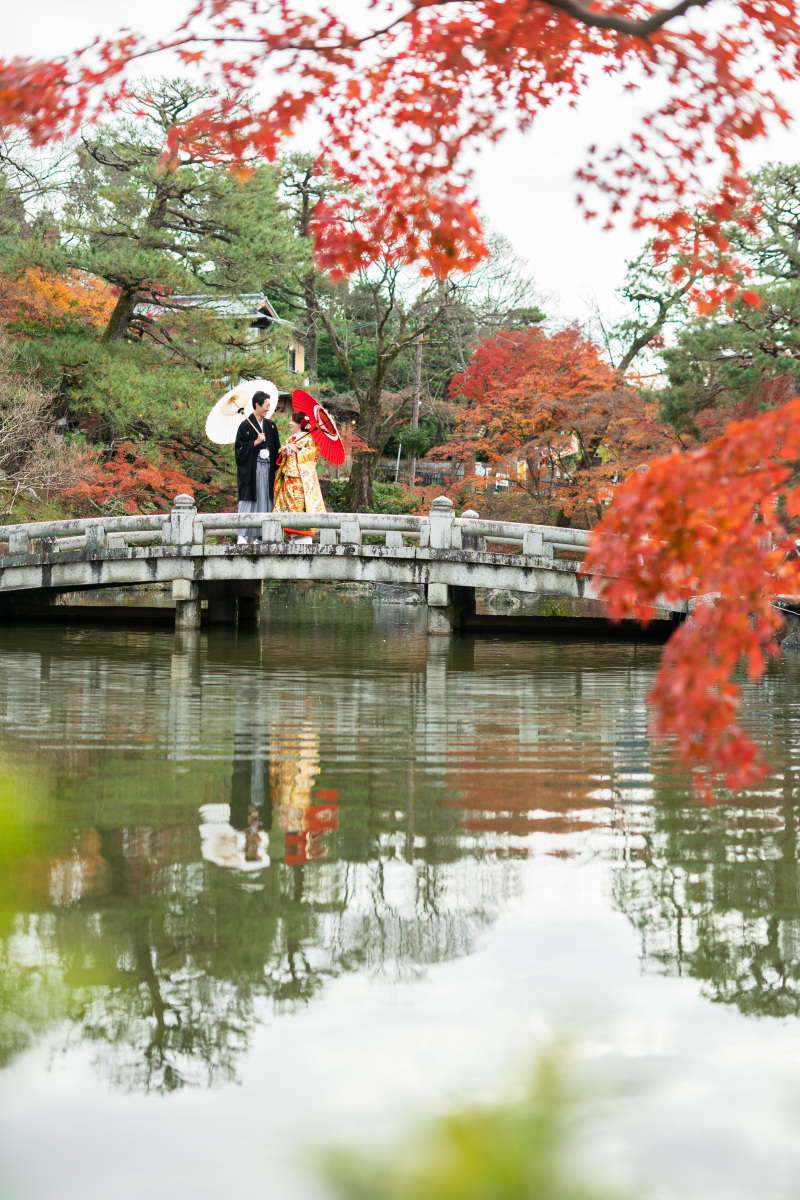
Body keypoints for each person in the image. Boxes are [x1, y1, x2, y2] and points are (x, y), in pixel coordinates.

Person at [234, 388, 280, 545]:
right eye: (266, 405)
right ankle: (242, 535)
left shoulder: (271, 426)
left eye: (269, 405)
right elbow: (239, 449)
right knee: (249, 500)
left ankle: (262, 536)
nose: (268, 408)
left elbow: (277, 450)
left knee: (266, 501)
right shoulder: (245, 426)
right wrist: (255, 442)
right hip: (252, 470)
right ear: (257, 405)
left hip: (267, 470)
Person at [273, 408, 326, 542]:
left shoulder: (309, 439)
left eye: (292, 421)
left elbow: (312, 455)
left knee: (299, 507)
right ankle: (293, 536)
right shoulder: (289, 439)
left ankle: (302, 538)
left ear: (299, 423)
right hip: (287, 478)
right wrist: (284, 453)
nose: (290, 423)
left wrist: (297, 450)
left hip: (299, 480)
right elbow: (281, 459)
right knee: (287, 508)